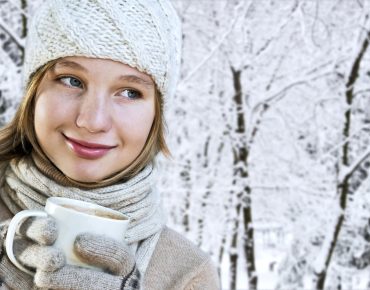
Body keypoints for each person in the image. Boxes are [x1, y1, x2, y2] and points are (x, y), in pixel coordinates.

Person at [0, 0, 220, 289]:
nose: (93, 120)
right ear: (34, 91)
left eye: (129, 92)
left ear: (156, 113)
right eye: (71, 80)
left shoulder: (188, 274)